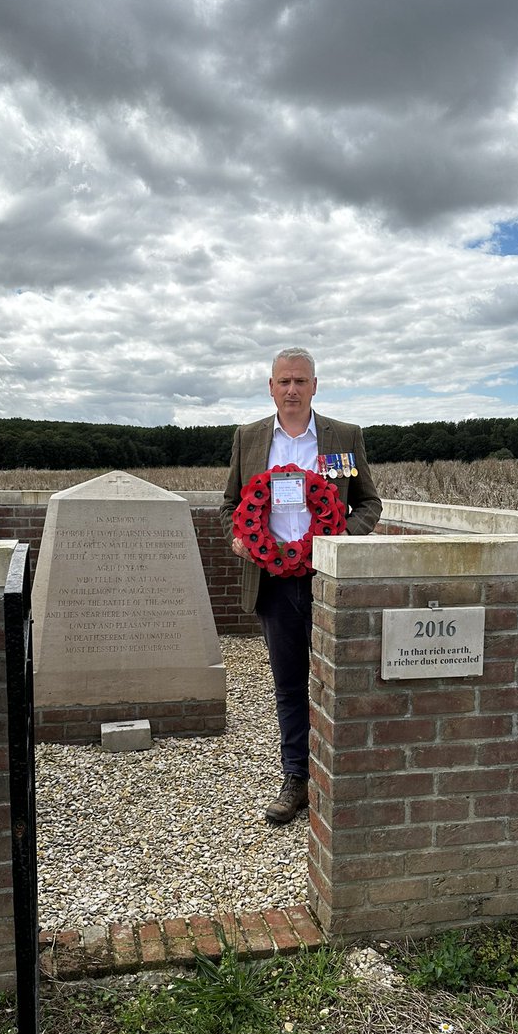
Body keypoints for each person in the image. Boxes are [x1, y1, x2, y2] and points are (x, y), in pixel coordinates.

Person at [220, 347, 382, 824]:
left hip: (328, 581)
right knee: (290, 685)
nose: (292, 390)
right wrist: (239, 537)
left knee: (338, 679)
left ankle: (346, 774)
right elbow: (230, 504)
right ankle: (297, 779)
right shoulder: (249, 438)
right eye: (283, 381)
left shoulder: (343, 437)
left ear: (315, 385)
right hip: (272, 581)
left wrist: (336, 540)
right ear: (270, 387)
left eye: (300, 381)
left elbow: (368, 505)